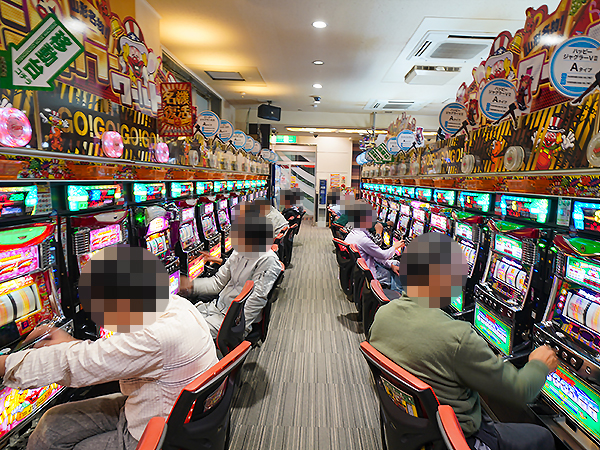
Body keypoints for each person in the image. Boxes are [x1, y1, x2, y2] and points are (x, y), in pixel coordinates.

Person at [0, 246, 218, 450]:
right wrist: (71, 343)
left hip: (155, 431)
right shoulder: (175, 305)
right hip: (161, 408)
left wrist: (6, 363)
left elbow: (77, 365)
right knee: (51, 424)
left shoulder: (153, 335)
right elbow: (113, 355)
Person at [369, 233, 557, 450]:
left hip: (414, 431)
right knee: (543, 437)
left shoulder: (383, 315)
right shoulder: (458, 337)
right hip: (456, 437)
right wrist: (539, 364)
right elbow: (521, 391)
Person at [180, 202, 282, 338]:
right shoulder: (239, 252)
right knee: (177, 320)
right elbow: (217, 283)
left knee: (183, 334)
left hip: (231, 320)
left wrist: (236, 329)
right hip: (216, 308)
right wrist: (190, 285)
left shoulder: (268, 260)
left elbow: (257, 299)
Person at [343, 200, 405, 292]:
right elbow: (382, 255)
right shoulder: (362, 239)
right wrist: (395, 247)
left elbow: (375, 255)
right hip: (366, 275)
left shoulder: (356, 232)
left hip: (359, 271)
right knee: (397, 272)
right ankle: (397, 295)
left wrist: (390, 265)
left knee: (394, 265)